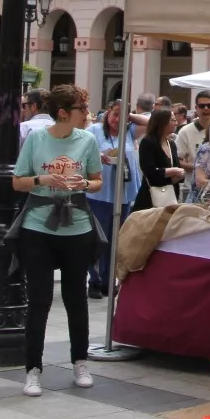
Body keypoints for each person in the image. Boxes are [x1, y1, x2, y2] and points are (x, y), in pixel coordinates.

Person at [12, 84, 102, 397]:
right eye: (81, 109)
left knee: (76, 297)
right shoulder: (36, 139)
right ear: (64, 112)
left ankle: (80, 361)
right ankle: (33, 369)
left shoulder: (87, 140)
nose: (86, 115)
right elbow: (17, 182)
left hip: (77, 226)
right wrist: (43, 179)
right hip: (38, 227)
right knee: (39, 300)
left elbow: (97, 180)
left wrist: (86, 184)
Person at [86, 95, 141, 297]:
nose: (117, 120)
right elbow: (82, 152)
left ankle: (110, 280)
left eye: (123, 116)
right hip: (99, 192)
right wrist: (97, 157)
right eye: (115, 114)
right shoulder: (94, 131)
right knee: (98, 238)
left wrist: (130, 115)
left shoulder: (130, 132)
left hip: (123, 193)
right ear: (108, 112)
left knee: (116, 239)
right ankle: (94, 279)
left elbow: (152, 121)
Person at [133, 107, 185, 213]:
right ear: (162, 123)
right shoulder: (148, 143)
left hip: (170, 198)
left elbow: (178, 169)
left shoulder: (171, 144)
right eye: (172, 120)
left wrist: (176, 174)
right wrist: (172, 172)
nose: (176, 123)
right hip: (149, 200)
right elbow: (150, 172)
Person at [176, 93, 210, 177]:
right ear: (196, 108)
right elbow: (177, 161)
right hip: (192, 185)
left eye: (209, 105)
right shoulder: (185, 131)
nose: (206, 108)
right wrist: (200, 168)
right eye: (202, 106)